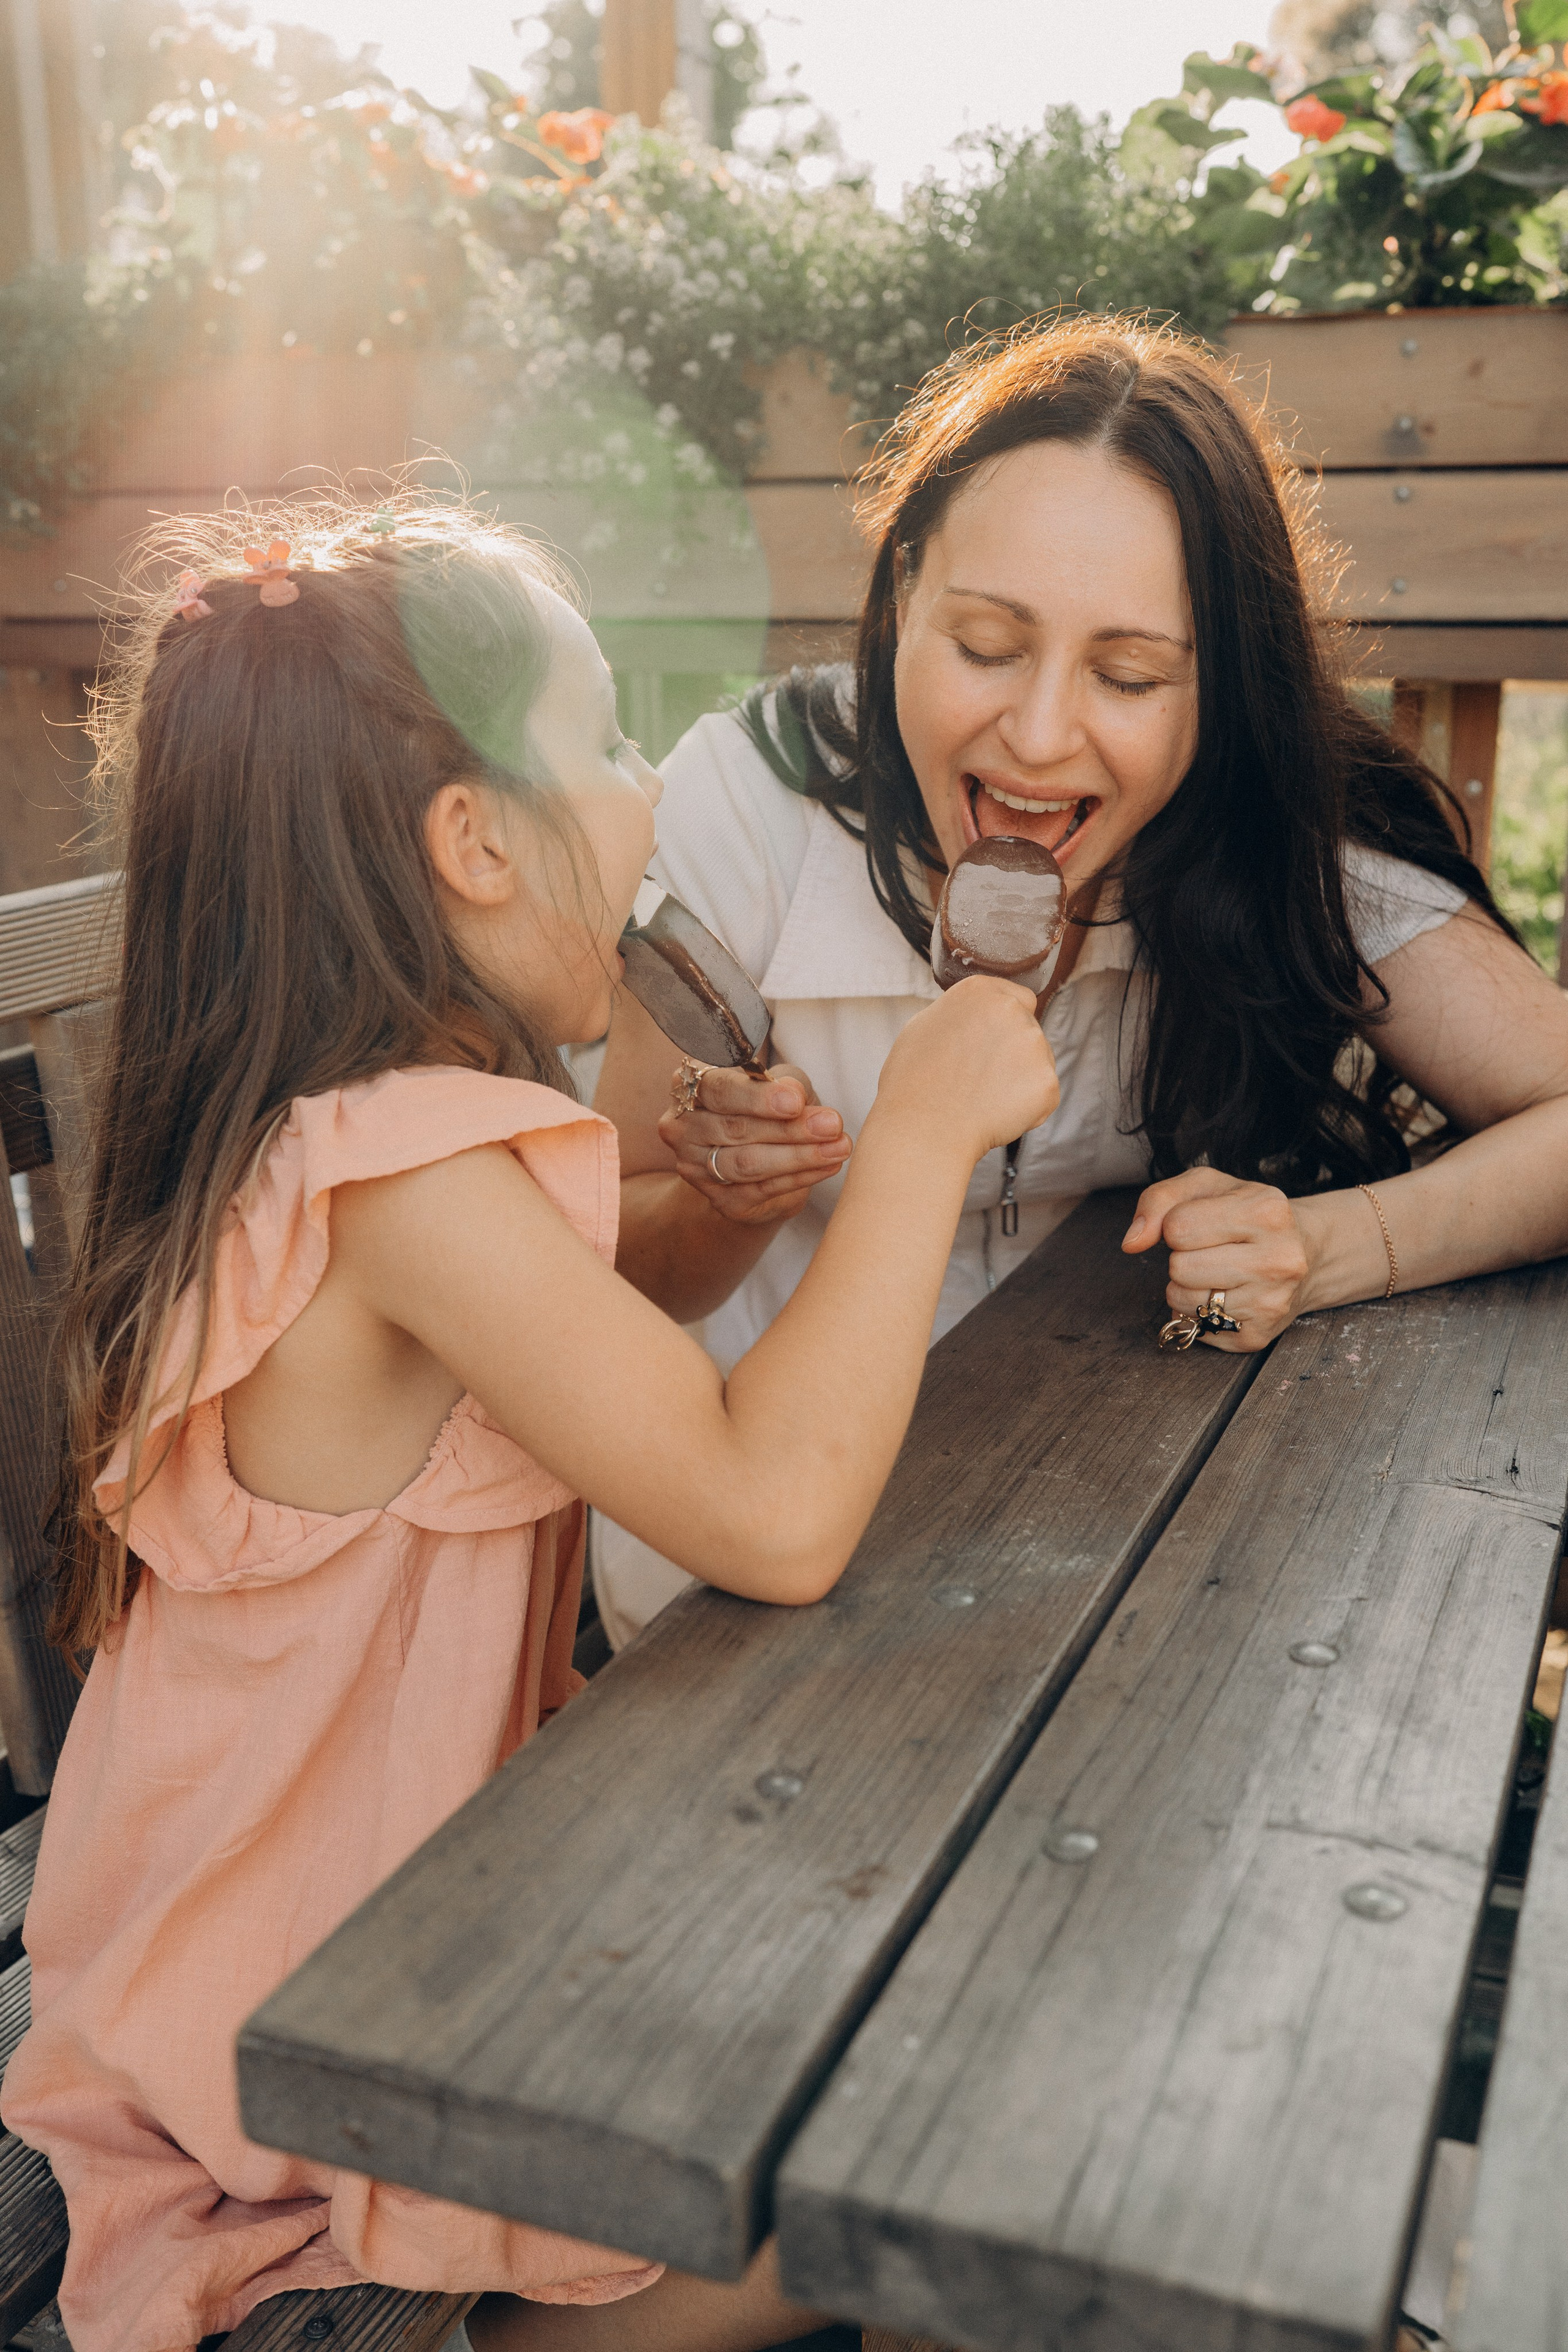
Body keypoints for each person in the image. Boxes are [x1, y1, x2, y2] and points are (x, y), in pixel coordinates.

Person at [0, 497, 1055, 2352]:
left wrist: (718, 1216)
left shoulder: (345, 1127)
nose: (649, 791)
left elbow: (554, 1348)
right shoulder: (412, 1177)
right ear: (477, 840)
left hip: (267, 1947)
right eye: (613, 741)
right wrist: (920, 1134)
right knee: (942, 2163)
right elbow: (771, 1510)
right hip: (299, 2080)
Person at [592, 312, 1568, 1649]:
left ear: (1218, 693)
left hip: (1105, 1558)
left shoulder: (1270, 853)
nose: (1040, 736)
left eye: (1124, 675)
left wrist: (1328, 1246)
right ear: (896, 609)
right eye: (985, 646)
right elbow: (602, 1264)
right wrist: (719, 1204)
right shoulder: (745, 813)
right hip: (718, 1596)